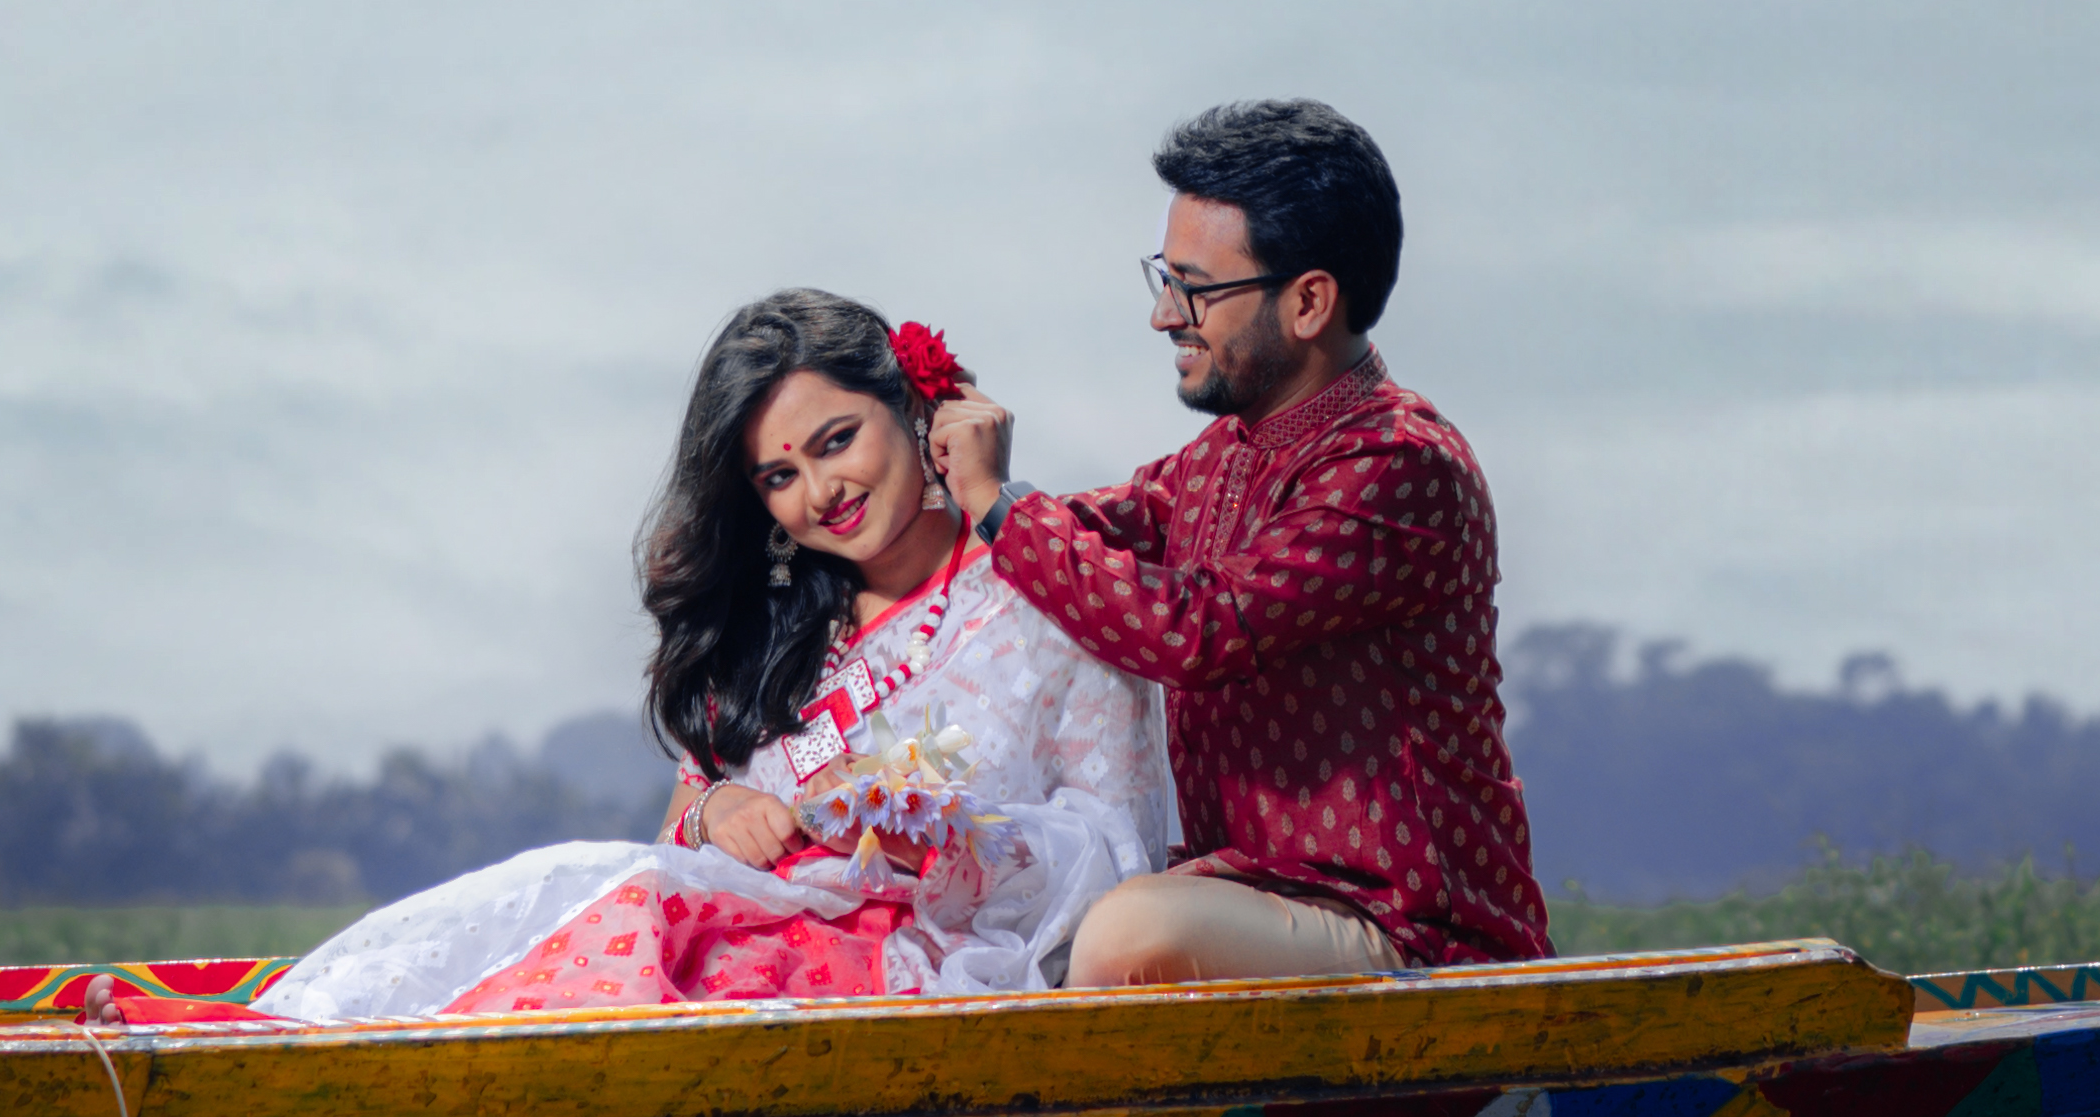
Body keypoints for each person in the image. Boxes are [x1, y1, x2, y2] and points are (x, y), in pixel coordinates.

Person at [250, 291, 1174, 1020]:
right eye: (780, 476)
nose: (822, 492)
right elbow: (681, 836)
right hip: (725, 936)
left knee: (638, 917)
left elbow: (1119, 856)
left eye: (836, 441)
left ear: (912, 404)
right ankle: (305, 1035)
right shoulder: (779, 627)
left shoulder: (1051, 589)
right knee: (606, 893)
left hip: (907, 982)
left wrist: (942, 838)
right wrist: (716, 808)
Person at [937, 98, 1548, 981]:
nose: (1163, 316)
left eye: (1195, 288)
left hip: (1410, 933)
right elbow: (1091, 531)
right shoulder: (1223, 455)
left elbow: (1193, 629)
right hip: (1258, 900)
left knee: (1126, 935)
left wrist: (998, 507)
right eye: (1163, 278)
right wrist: (930, 483)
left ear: (1308, 302)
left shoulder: (1401, 466)